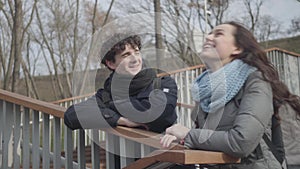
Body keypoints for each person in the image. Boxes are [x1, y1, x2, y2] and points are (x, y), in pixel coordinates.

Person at [160, 21, 300, 169]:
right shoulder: (206, 88)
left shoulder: (255, 81)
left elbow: (241, 142)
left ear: (237, 48)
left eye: (218, 34)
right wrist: (181, 139)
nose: (208, 37)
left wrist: (188, 135)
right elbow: (208, 136)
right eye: (209, 33)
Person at [64, 34, 178, 133]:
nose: (135, 59)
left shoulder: (163, 83)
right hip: (122, 157)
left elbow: (158, 113)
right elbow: (71, 116)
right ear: (111, 64)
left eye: (137, 52)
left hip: (164, 155)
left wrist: (110, 106)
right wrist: (119, 120)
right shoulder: (107, 93)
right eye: (126, 55)